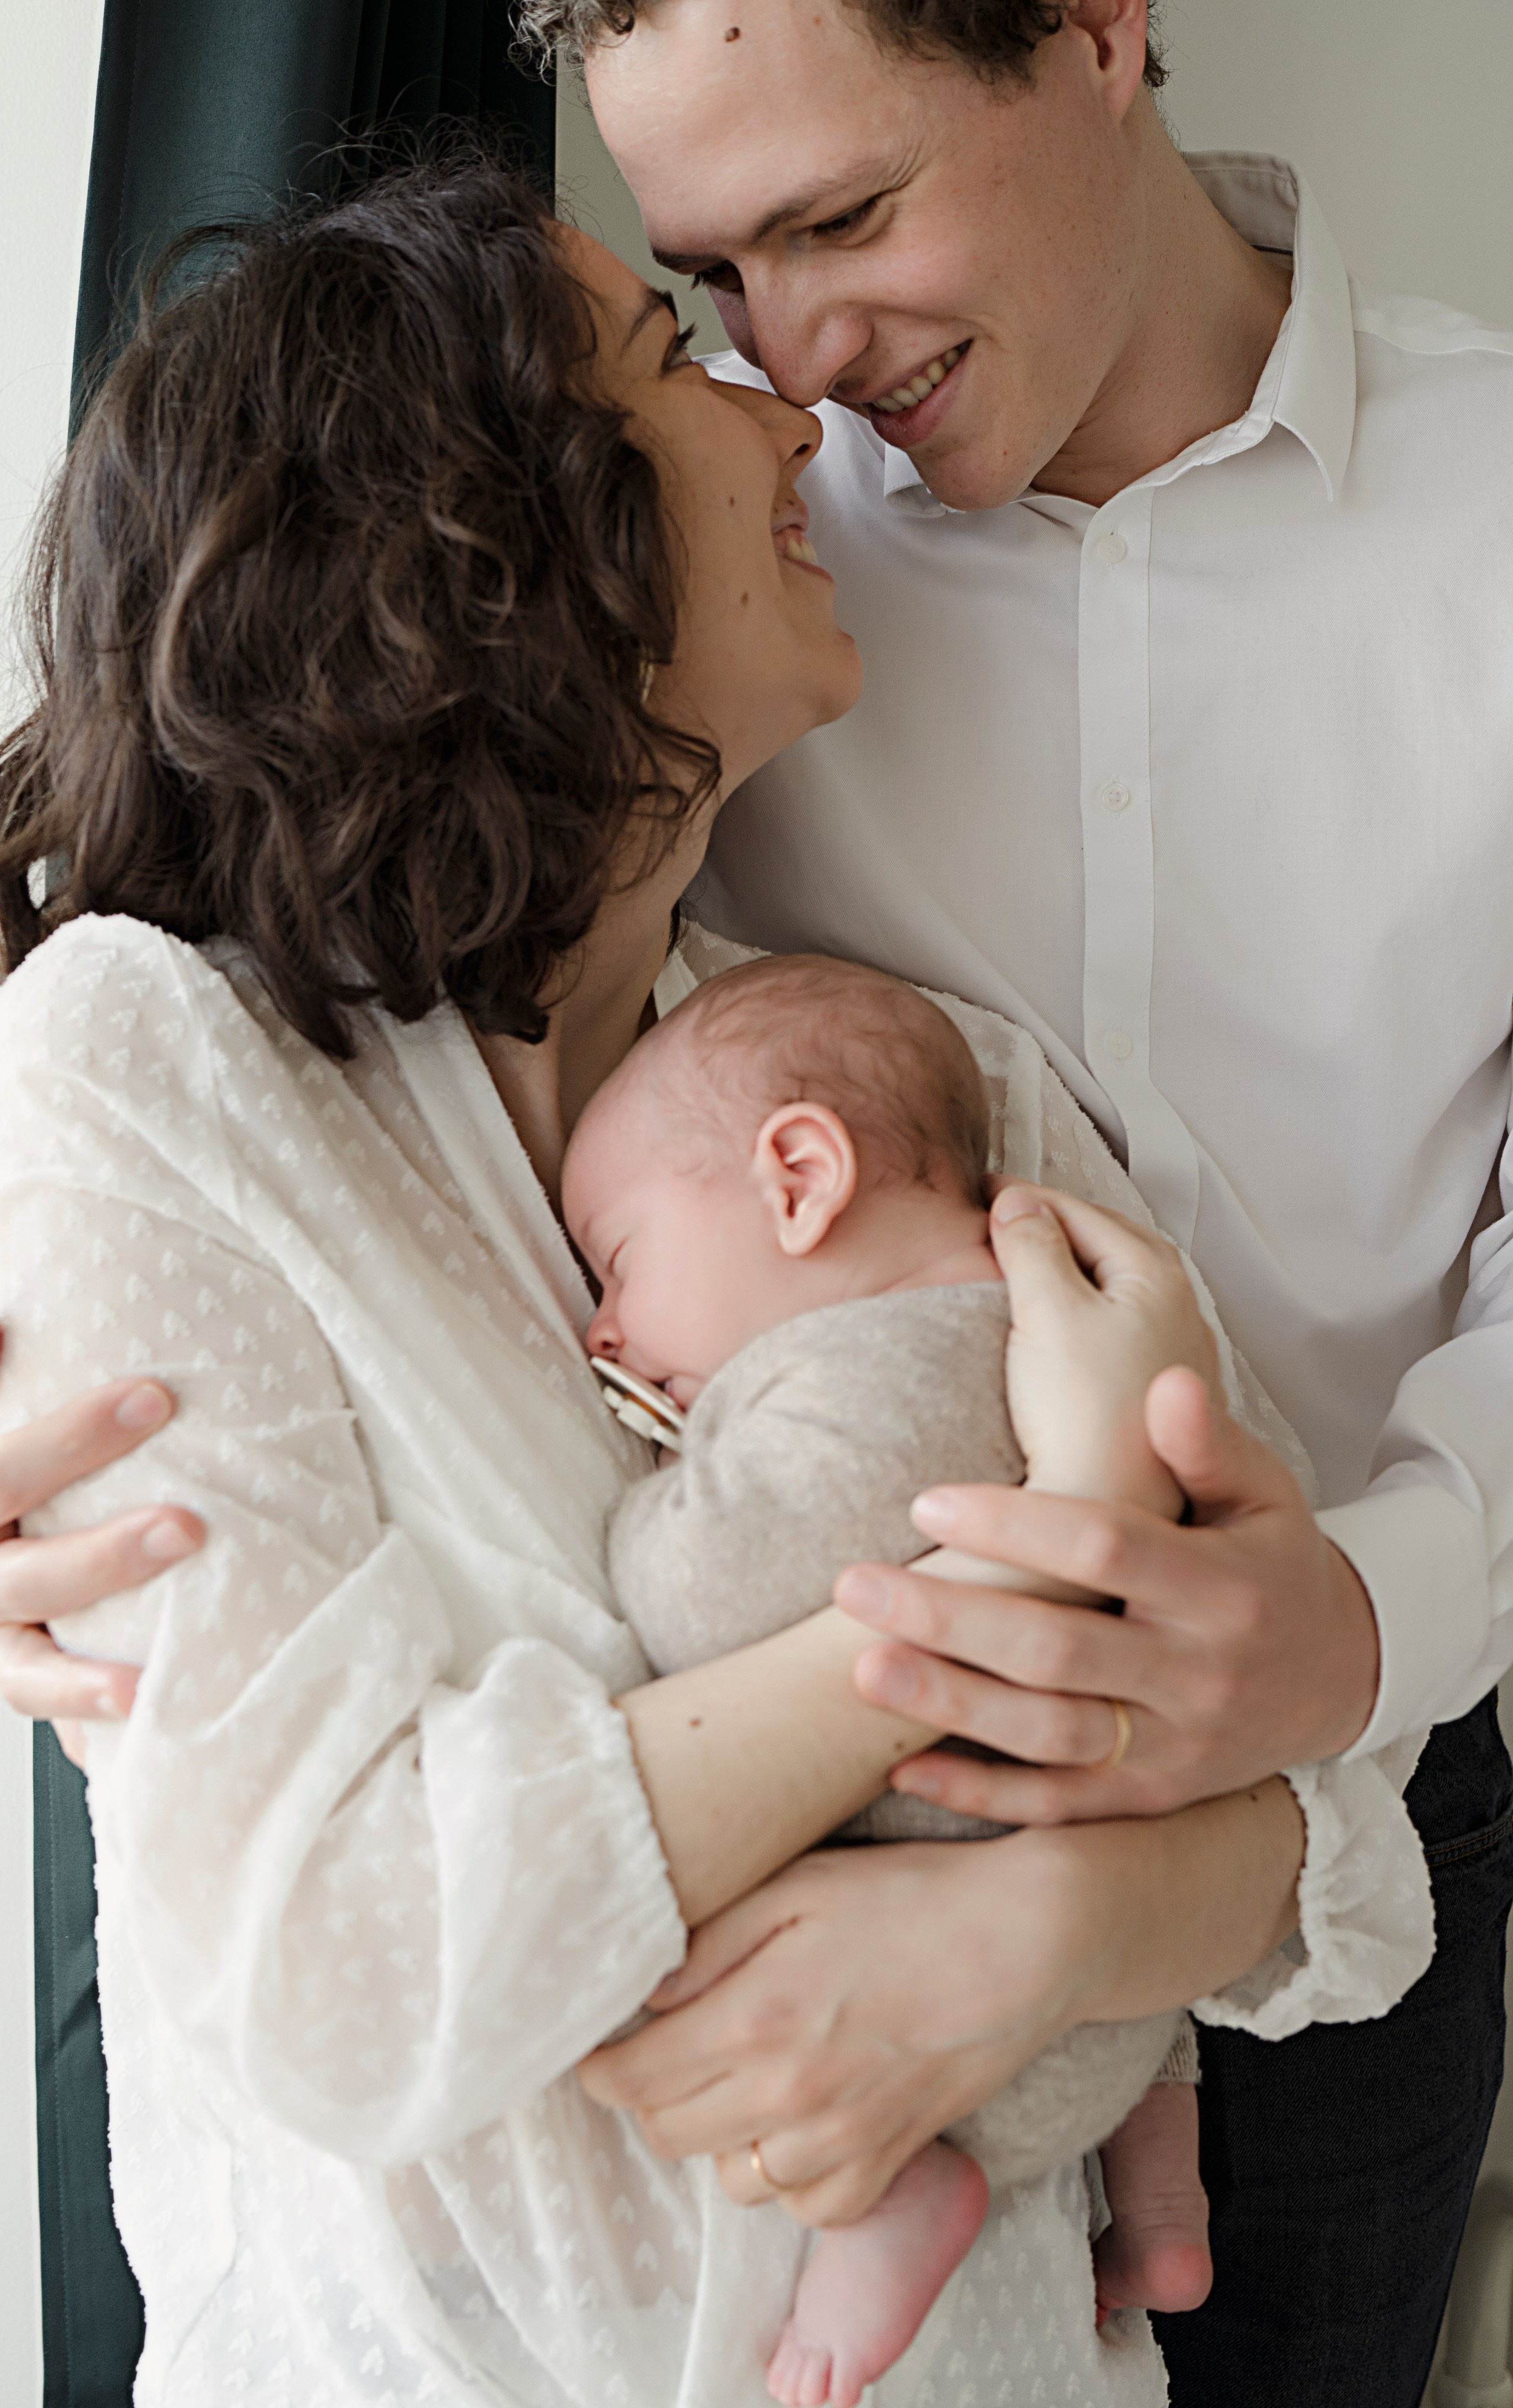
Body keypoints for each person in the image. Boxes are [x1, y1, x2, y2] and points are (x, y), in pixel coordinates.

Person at [0, 145, 1427, 2406]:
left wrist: (1064, 1914)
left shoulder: (931, 1087)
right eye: (677, 350)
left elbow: (1348, 1873)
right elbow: (339, 1969)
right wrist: (993, 1635)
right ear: (481, 521)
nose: (783, 411)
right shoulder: (160, 1066)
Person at [505, 0, 1513, 2398]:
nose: (788, 349)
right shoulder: (708, 562)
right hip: (780, 1810)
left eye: (838, 218)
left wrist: (1356, 1614)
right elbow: (297, 854)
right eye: (711, 270)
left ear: (1086, 8)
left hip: (1364, 1774)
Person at [564, 949, 1239, 2404]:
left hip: (971, 2001)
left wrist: (636, 1485)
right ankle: (1164, 2196)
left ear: (797, 1175)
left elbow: (707, 1590)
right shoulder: (1056, 1314)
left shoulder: (859, 1374)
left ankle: (896, 2205)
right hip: (1143, 1955)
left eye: (616, 1261)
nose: (601, 1331)